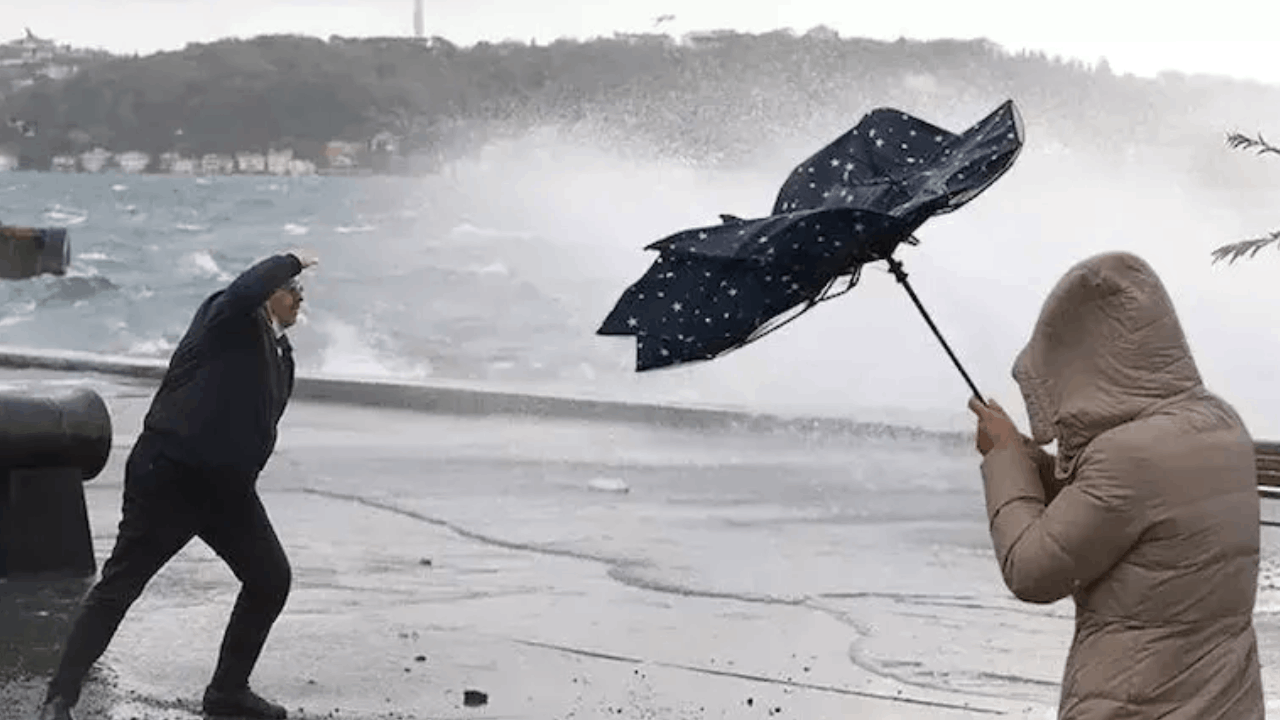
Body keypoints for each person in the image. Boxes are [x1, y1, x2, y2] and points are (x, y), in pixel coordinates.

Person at [968, 251, 1263, 719]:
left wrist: (1004, 458)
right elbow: (1123, 516)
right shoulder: (1219, 422)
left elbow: (1032, 571)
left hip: (1137, 702)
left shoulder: (1127, 456)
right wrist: (1030, 461)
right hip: (1223, 699)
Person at [36, 250, 318, 720]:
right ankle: (58, 699)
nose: (300, 299)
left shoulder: (281, 353)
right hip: (171, 476)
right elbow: (245, 288)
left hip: (226, 492)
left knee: (270, 579)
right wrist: (290, 260)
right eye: (293, 289)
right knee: (121, 587)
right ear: (270, 292)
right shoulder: (227, 315)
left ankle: (227, 693)